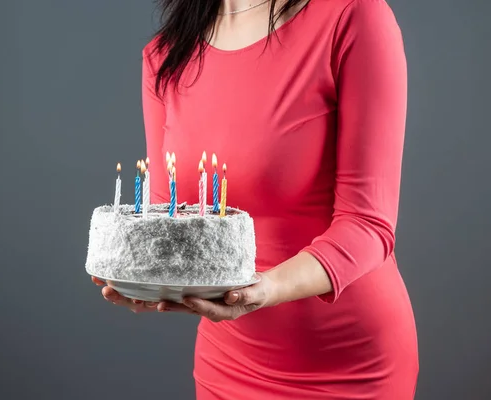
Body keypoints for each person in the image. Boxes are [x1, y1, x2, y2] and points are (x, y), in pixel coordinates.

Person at [92, 0, 419, 398]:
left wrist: (265, 290)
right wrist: (146, 279)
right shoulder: (166, 54)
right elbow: (170, 212)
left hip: (349, 365)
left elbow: (369, 224)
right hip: (228, 363)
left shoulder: (353, 16)